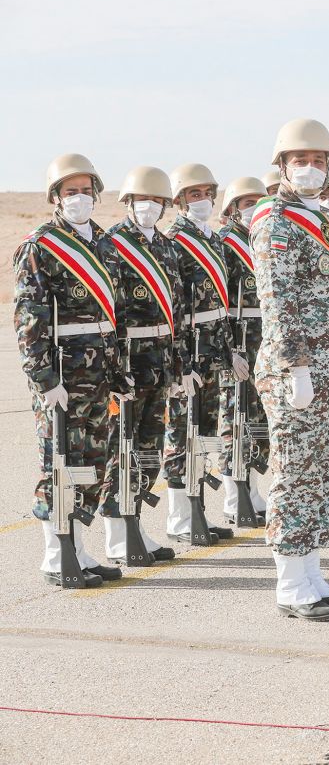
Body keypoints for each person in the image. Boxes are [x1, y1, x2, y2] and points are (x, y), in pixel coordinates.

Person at [251, 118, 329, 620]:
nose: (311, 168)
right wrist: (295, 367)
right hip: (295, 374)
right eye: (301, 160)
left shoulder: (320, 219)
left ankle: (312, 575)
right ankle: (289, 584)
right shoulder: (275, 220)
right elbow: (278, 300)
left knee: (324, 473)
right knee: (295, 473)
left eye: (319, 160)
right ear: (282, 165)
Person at [15, 154, 130, 586]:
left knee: (92, 465)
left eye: (86, 190)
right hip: (63, 377)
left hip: (99, 378)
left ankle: (79, 551)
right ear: (55, 198)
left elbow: (113, 315)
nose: (80, 197)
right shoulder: (40, 247)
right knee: (58, 464)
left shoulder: (105, 244)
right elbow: (30, 320)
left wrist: (117, 373)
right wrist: (45, 380)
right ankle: (54, 556)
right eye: (70, 191)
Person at [101, 165, 186, 564]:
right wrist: (114, 368)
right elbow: (108, 309)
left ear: (165, 205)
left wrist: (179, 363)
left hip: (160, 361)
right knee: (121, 448)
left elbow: (177, 309)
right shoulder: (111, 244)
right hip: (129, 362)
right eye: (141, 200)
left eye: (155, 200)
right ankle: (117, 533)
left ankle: (136, 525)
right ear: (128, 202)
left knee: (149, 449)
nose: (148, 206)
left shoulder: (167, 247)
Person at [164, 163, 249, 544]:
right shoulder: (174, 240)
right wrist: (180, 363)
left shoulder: (211, 238)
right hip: (190, 351)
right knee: (182, 433)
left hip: (214, 349)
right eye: (193, 194)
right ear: (180, 200)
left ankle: (198, 511)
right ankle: (179, 517)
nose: (202, 200)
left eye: (206, 194)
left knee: (206, 433)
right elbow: (173, 308)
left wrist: (230, 351)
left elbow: (221, 305)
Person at [216, 176, 270, 525]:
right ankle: (234, 495)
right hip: (238, 340)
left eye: (258, 202)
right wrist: (227, 349)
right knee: (234, 419)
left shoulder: (264, 238)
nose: (253, 209)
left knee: (258, 420)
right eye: (247, 203)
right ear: (233, 208)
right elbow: (216, 302)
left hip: (263, 339)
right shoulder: (225, 243)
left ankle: (251, 488)